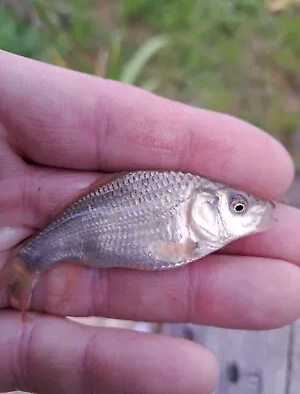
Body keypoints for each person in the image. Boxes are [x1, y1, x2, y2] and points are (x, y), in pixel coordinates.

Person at [0, 49, 299, 394]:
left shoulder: (192, 222)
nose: (245, 213)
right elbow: (168, 250)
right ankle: (26, 265)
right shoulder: (187, 223)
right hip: (83, 230)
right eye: (238, 208)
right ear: (201, 206)